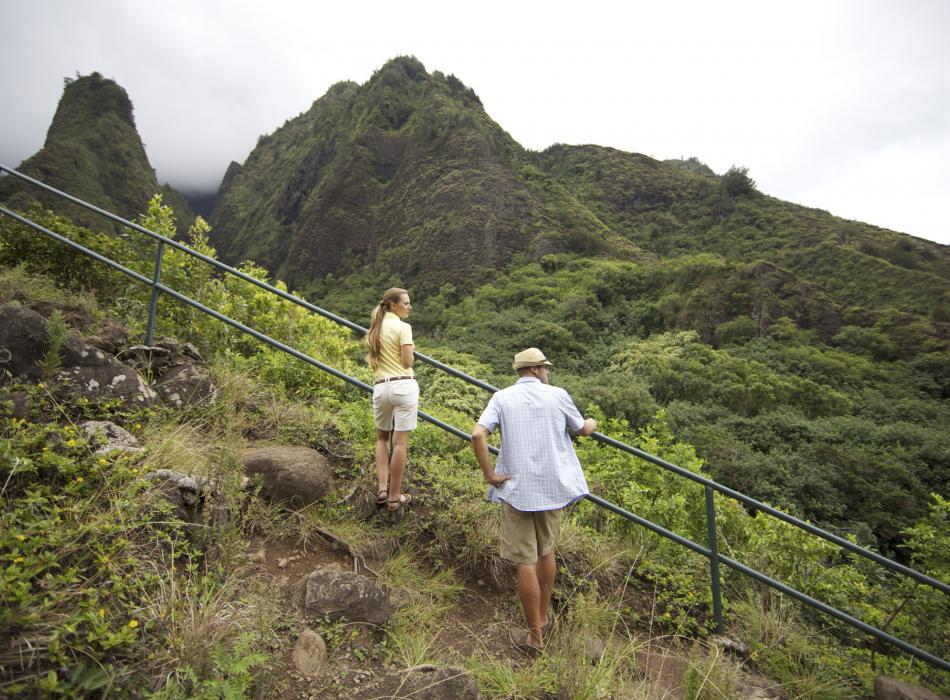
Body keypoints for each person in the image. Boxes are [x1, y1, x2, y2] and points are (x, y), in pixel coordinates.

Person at [471, 347, 597, 653]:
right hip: (552, 487)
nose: (547, 373)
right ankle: (543, 618)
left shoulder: (501, 398)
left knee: (525, 561)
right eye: (545, 368)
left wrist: (490, 475)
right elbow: (581, 429)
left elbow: (477, 435)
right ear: (536, 370)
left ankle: (534, 637)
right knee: (546, 551)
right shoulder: (557, 394)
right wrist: (591, 424)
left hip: (517, 489)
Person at [365, 287, 418, 513]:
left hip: (381, 388)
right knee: (400, 443)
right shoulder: (403, 328)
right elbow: (407, 362)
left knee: (381, 438)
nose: (409, 307)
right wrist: (412, 350)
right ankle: (395, 498)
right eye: (405, 303)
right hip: (403, 386)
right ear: (393, 305)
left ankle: (382, 489)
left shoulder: (375, 328)